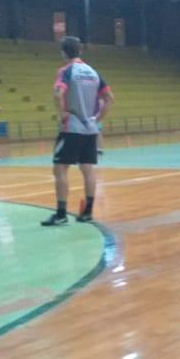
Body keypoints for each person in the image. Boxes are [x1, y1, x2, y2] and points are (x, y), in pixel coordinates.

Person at [41, 36, 113, 226]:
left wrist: (62, 113)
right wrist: (97, 119)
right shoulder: (93, 72)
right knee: (87, 169)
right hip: (90, 129)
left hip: (71, 127)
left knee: (60, 169)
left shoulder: (66, 71)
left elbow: (58, 93)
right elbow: (109, 98)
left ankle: (61, 213)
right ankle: (88, 212)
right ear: (80, 51)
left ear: (63, 53)